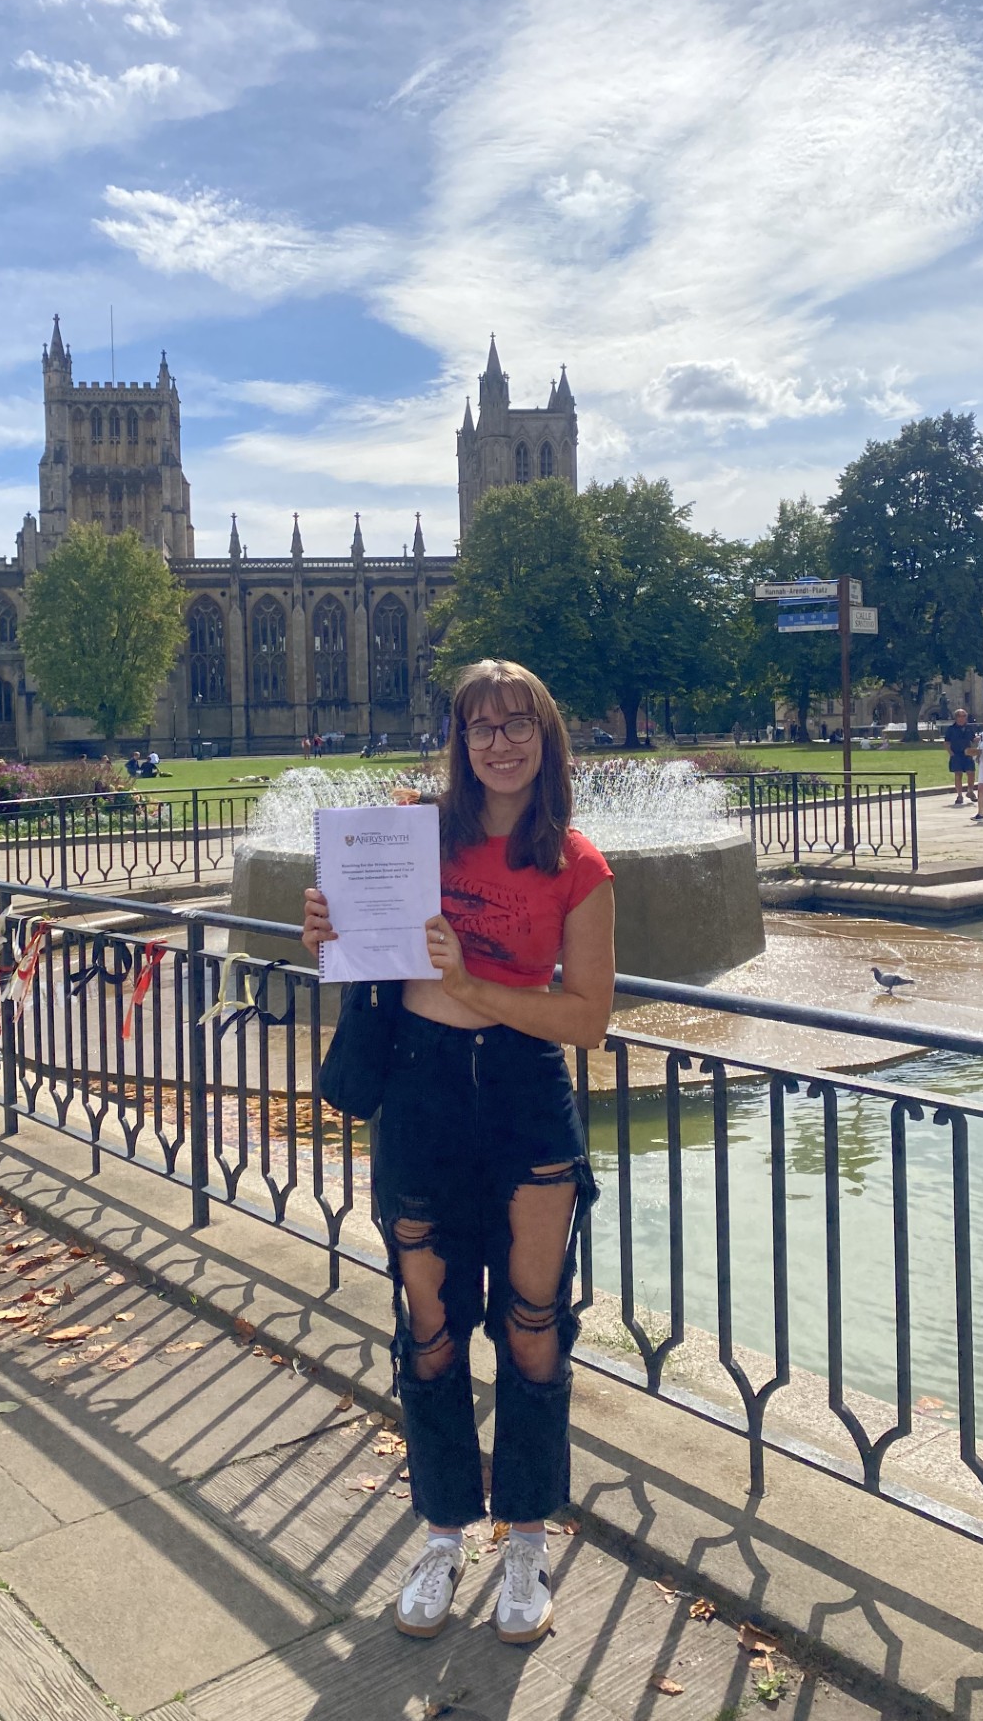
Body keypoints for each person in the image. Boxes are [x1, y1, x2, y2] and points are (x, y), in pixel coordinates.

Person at [302, 658, 615, 1646]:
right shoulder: (413, 831)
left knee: (531, 1327)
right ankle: (445, 1531)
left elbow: (590, 1017)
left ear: (546, 737)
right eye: (482, 725)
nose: (500, 741)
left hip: (525, 1094)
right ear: (461, 741)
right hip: (424, 1092)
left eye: (519, 722)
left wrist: (476, 986)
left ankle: (525, 1538)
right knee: (429, 1331)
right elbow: (361, 942)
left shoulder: (577, 861)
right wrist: (324, 930)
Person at [944, 708, 975, 807]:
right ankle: (959, 795)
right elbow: (946, 742)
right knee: (958, 775)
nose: (962, 718)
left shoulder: (969, 728)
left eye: (964, 716)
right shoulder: (951, 729)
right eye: (959, 716)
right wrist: (951, 753)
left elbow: (973, 739)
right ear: (956, 718)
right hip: (956, 754)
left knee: (971, 773)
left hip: (967, 753)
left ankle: (970, 791)